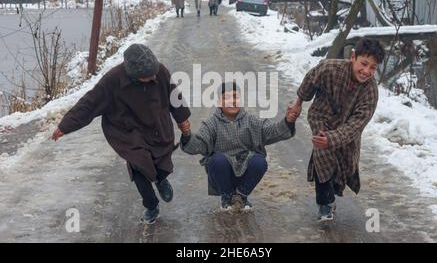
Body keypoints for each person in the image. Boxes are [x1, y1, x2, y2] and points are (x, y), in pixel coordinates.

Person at [52, 44, 191, 224]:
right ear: (132, 74)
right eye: (147, 76)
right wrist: (65, 126)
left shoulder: (160, 71)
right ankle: (151, 205)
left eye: (154, 73)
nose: (153, 77)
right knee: (139, 164)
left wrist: (185, 128)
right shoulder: (112, 81)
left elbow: (176, 99)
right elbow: (89, 104)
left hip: (156, 125)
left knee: (161, 161)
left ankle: (160, 178)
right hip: (127, 131)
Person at [289, 38, 385, 222]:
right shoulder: (330, 68)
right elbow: (310, 79)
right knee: (323, 154)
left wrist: (333, 139)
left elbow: (357, 124)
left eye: (372, 68)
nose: (366, 71)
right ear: (353, 57)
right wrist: (298, 103)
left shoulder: (370, 91)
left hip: (346, 127)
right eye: (363, 64)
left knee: (345, 163)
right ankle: (325, 204)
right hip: (321, 117)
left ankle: (333, 188)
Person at [179, 82, 300, 211]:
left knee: (260, 161)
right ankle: (227, 196)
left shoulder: (251, 120)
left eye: (236, 97)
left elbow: (272, 131)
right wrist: (186, 134)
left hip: (246, 172)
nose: (232, 101)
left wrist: (288, 121)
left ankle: (241, 195)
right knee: (217, 160)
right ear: (219, 102)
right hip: (222, 173)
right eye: (226, 98)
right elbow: (198, 144)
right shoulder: (211, 124)